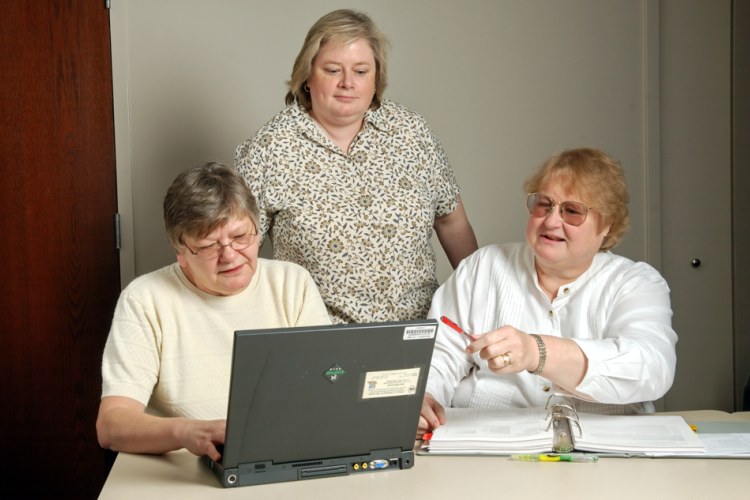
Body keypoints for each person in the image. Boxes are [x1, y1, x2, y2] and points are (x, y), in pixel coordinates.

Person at [235, 9, 478, 324]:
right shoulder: (268, 149)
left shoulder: (412, 132)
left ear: (376, 77)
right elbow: (238, 251)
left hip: (420, 331)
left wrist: (480, 300)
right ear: (307, 76)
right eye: (333, 70)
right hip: (321, 337)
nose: (348, 83)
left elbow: (451, 222)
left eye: (361, 71)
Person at [419, 148, 677, 435]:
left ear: (607, 225)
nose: (551, 221)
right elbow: (439, 355)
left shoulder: (635, 283)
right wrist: (425, 398)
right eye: (544, 204)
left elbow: (651, 368)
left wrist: (537, 352)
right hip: (490, 447)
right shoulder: (483, 267)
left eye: (572, 211)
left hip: (603, 456)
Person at [96, 163, 330, 460]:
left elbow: (327, 388)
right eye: (208, 246)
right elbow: (111, 425)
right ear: (181, 252)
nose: (230, 255)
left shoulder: (292, 283)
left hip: (284, 455)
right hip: (188, 465)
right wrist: (187, 433)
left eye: (241, 236)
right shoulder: (144, 299)